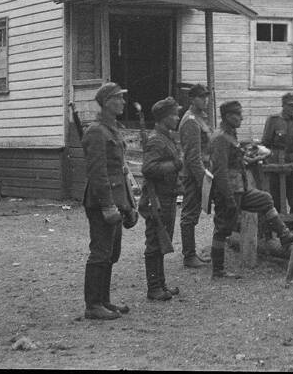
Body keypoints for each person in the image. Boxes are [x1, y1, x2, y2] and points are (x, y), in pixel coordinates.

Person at [208, 100, 293, 279]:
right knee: (223, 228)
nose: (241, 117)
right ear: (227, 116)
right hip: (229, 192)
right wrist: (228, 198)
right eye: (237, 114)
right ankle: (218, 270)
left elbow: (236, 163)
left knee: (265, 199)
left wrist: (251, 159)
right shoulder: (221, 138)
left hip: (241, 189)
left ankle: (284, 235)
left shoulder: (231, 135)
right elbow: (220, 171)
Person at [80, 82, 136, 321]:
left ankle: (104, 300)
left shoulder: (113, 129)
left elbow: (120, 170)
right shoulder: (96, 132)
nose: (123, 102)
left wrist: (129, 203)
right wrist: (107, 205)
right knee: (100, 253)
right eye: (118, 98)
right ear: (106, 102)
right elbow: (98, 173)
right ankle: (93, 305)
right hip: (102, 201)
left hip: (117, 199)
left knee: (111, 254)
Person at [140, 97, 183, 302]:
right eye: (174, 114)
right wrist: (175, 165)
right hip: (158, 198)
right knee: (155, 241)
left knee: (162, 240)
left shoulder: (166, 137)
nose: (177, 118)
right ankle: (154, 287)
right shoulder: (157, 139)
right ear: (164, 117)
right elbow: (148, 169)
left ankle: (161, 284)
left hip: (168, 195)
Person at [260, 92, 293, 216]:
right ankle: (275, 227)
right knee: (276, 198)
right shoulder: (274, 120)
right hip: (276, 165)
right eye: (291, 106)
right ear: (283, 106)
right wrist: (266, 162)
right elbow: (266, 143)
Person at [177, 84, 213, 268]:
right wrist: (203, 181)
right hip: (194, 174)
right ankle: (189, 255)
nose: (205, 100)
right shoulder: (191, 120)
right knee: (189, 213)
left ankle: (191, 253)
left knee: (194, 211)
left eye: (206, 96)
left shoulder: (200, 118)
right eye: (201, 97)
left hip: (201, 171)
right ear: (192, 99)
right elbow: (193, 156)